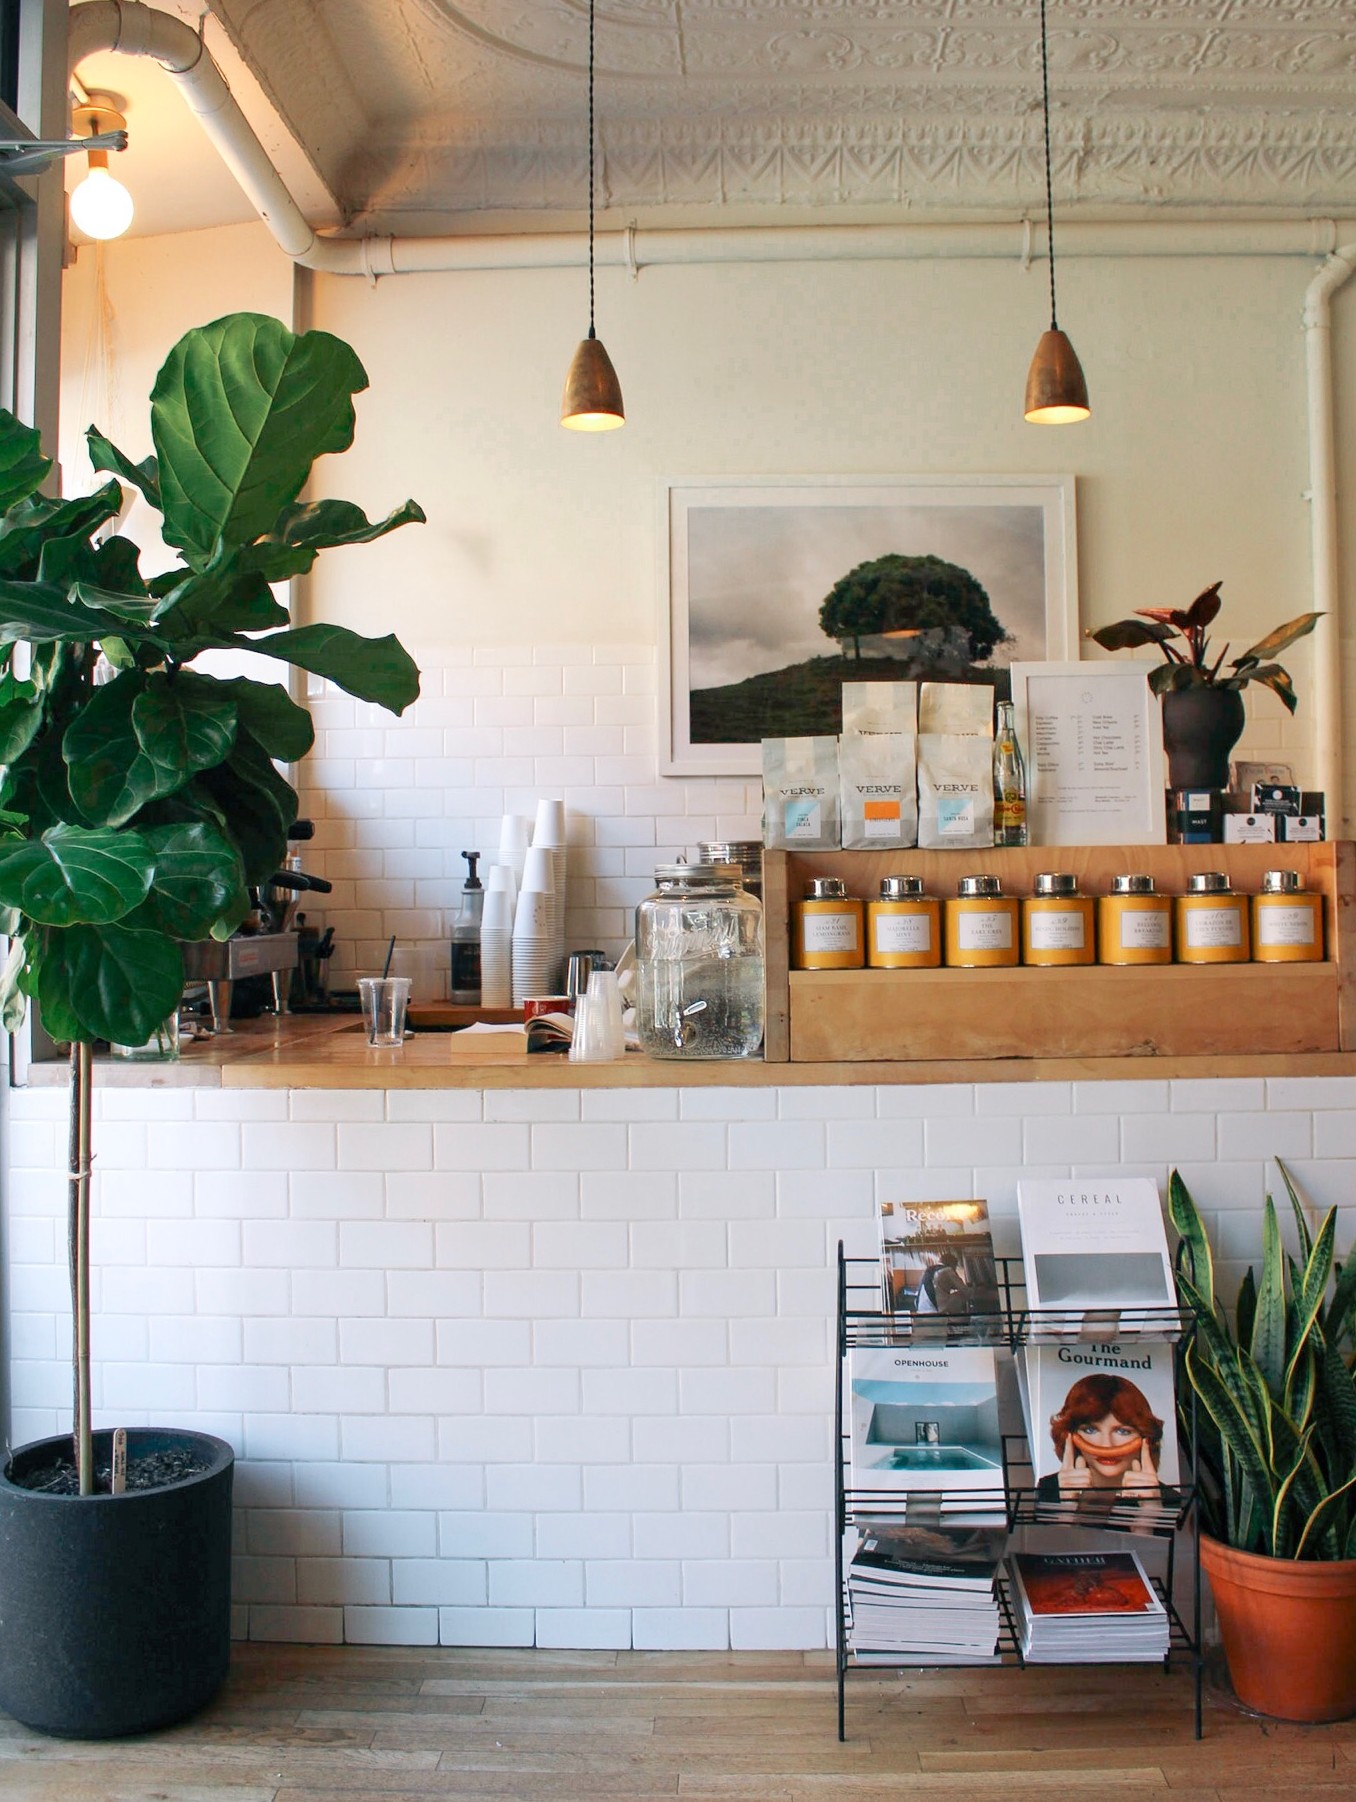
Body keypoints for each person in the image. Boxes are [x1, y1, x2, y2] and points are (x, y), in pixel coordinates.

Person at [1035, 1372, 1179, 1511]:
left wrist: (1150, 1517)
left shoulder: (1172, 1500)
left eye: (1123, 1431)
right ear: (1070, 1436)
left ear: (1145, 1438)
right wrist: (1068, 1509)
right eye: (1090, 1430)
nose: (1107, 1445)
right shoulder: (1046, 1490)